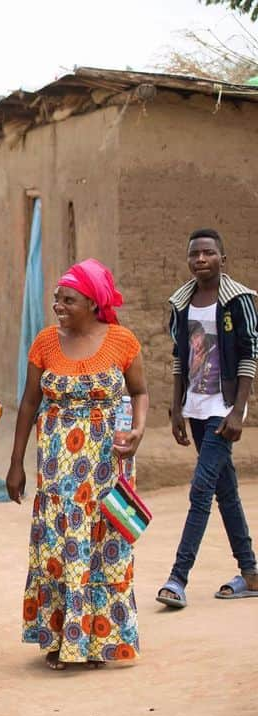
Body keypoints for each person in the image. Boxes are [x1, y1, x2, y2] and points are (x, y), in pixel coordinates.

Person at [7, 258, 149, 669]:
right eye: (56, 299)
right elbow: (30, 403)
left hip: (108, 466)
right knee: (58, 548)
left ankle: (99, 640)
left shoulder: (122, 341)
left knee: (105, 547)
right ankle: (59, 638)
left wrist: (138, 430)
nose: (59, 306)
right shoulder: (46, 343)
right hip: (58, 470)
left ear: (92, 302)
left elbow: (139, 391)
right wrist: (16, 462)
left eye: (68, 299)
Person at [156, 228, 258, 608]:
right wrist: (177, 406)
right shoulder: (183, 303)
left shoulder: (239, 300)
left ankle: (177, 578)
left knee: (201, 489)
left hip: (223, 408)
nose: (200, 259)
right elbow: (180, 357)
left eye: (208, 253)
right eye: (194, 254)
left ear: (222, 259)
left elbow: (250, 355)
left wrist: (238, 411)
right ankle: (250, 573)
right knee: (225, 491)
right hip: (196, 408)